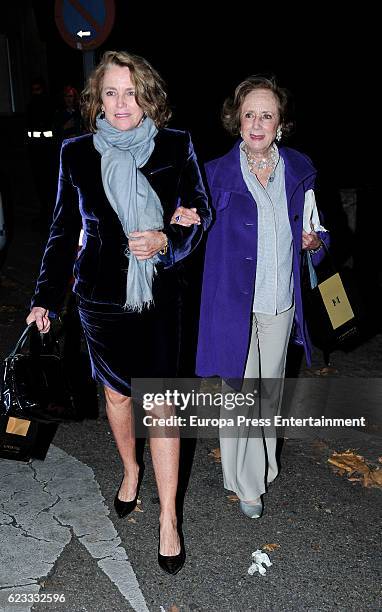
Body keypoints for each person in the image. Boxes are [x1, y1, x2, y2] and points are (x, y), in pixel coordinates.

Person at [27, 50, 211, 574]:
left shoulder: (176, 146)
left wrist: (167, 239)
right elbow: (63, 232)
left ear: (148, 96)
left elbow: (200, 216)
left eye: (131, 92)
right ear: (96, 99)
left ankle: (169, 518)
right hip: (100, 300)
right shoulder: (76, 152)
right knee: (116, 395)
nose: (122, 102)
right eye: (111, 91)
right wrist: (44, 297)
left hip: (158, 299)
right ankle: (130, 469)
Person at [196, 75, 329, 519]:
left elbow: (321, 229)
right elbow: (191, 229)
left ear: (280, 122)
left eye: (266, 115)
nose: (257, 124)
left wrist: (315, 242)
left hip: (280, 300)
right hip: (233, 304)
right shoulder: (213, 173)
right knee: (241, 390)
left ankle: (252, 466)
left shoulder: (299, 168)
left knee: (267, 391)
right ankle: (248, 484)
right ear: (236, 119)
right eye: (249, 114)